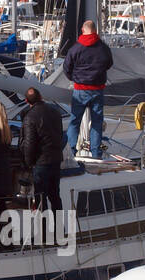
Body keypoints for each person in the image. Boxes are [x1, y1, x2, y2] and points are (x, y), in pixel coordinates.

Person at [61, 19, 114, 158]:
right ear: (95, 31)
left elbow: (66, 67)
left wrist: (74, 78)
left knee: (74, 122)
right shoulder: (103, 48)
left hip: (80, 89)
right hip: (97, 89)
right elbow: (109, 64)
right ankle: (96, 154)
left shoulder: (76, 48)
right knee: (96, 122)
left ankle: (71, 151)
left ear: (83, 31)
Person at [20, 87, 64, 212]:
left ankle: (44, 228)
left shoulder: (30, 117)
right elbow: (60, 134)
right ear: (41, 97)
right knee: (55, 196)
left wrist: (28, 163)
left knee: (41, 198)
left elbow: (29, 143)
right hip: (55, 159)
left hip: (41, 162)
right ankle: (59, 228)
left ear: (26, 101)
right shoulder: (55, 112)